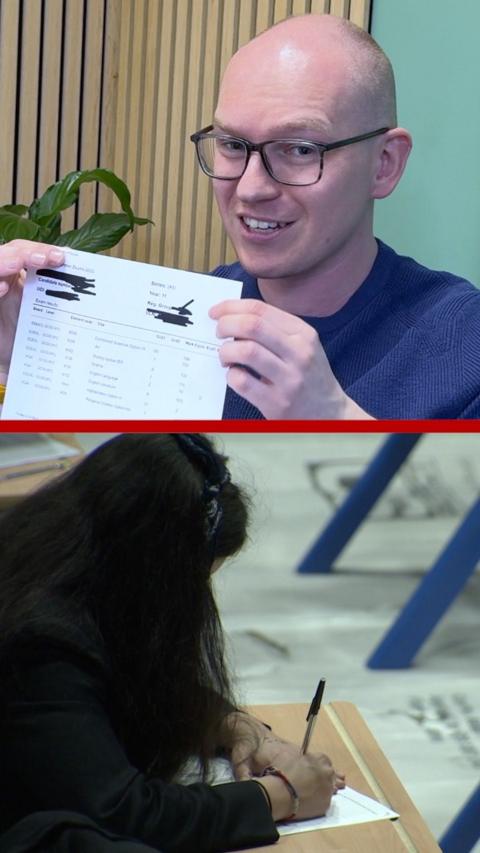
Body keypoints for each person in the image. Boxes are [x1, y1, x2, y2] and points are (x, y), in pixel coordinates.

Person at [2, 15, 479, 420]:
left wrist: (335, 420)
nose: (250, 188)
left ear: (384, 164)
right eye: (232, 145)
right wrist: (19, 362)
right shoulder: (188, 319)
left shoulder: (463, 347)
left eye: (299, 149)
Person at [0, 433, 343, 853]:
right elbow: (119, 811)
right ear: (151, 569)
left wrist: (229, 724)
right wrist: (280, 796)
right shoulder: (40, 641)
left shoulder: (51, 555)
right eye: (193, 583)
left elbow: (107, 681)